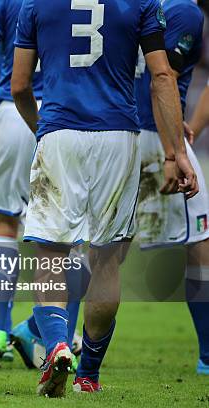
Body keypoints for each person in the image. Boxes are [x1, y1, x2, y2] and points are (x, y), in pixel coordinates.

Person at [9, 0, 198, 397]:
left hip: (60, 131)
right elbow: (162, 75)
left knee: (51, 256)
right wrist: (176, 152)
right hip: (119, 135)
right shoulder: (143, 2)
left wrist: (43, 128)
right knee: (108, 260)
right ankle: (88, 375)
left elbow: (20, 85)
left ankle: (58, 346)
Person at [0, 0, 88, 369]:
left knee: (4, 225)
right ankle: (58, 337)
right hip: (72, 116)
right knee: (71, 237)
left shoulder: (3, 2)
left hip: (14, 111)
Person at [134, 0, 209, 375]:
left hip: (122, 131)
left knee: (105, 247)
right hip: (156, 136)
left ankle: (43, 332)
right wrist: (170, 151)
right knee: (200, 244)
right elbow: (162, 80)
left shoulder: (147, 4)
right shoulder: (185, 11)